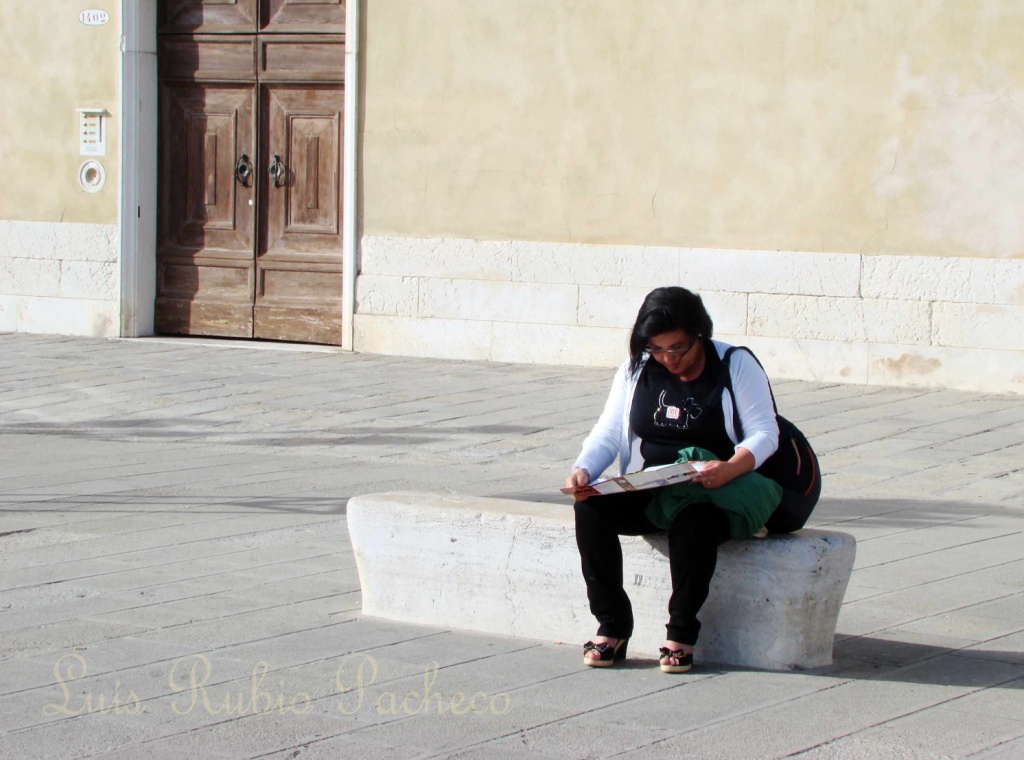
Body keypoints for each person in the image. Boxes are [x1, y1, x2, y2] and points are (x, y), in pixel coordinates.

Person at [566, 286, 809, 673]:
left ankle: (680, 634)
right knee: (590, 506)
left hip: (712, 489)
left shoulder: (735, 364)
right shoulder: (636, 368)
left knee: (693, 524)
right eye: (658, 349)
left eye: (677, 348)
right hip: (652, 486)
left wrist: (729, 468)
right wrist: (585, 470)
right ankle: (612, 624)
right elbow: (608, 433)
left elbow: (764, 433)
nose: (668, 359)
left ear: (701, 334)